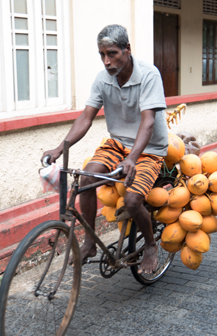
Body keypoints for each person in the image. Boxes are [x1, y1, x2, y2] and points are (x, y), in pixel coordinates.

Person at [42, 24, 168, 274]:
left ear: (127, 50)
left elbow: (148, 121)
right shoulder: (103, 79)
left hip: (149, 149)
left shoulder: (149, 75)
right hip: (118, 144)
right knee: (86, 179)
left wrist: (133, 158)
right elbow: (86, 117)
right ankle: (89, 243)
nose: (107, 61)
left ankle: (151, 245)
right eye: (102, 55)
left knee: (132, 200)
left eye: (112, 54)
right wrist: (60, 148)